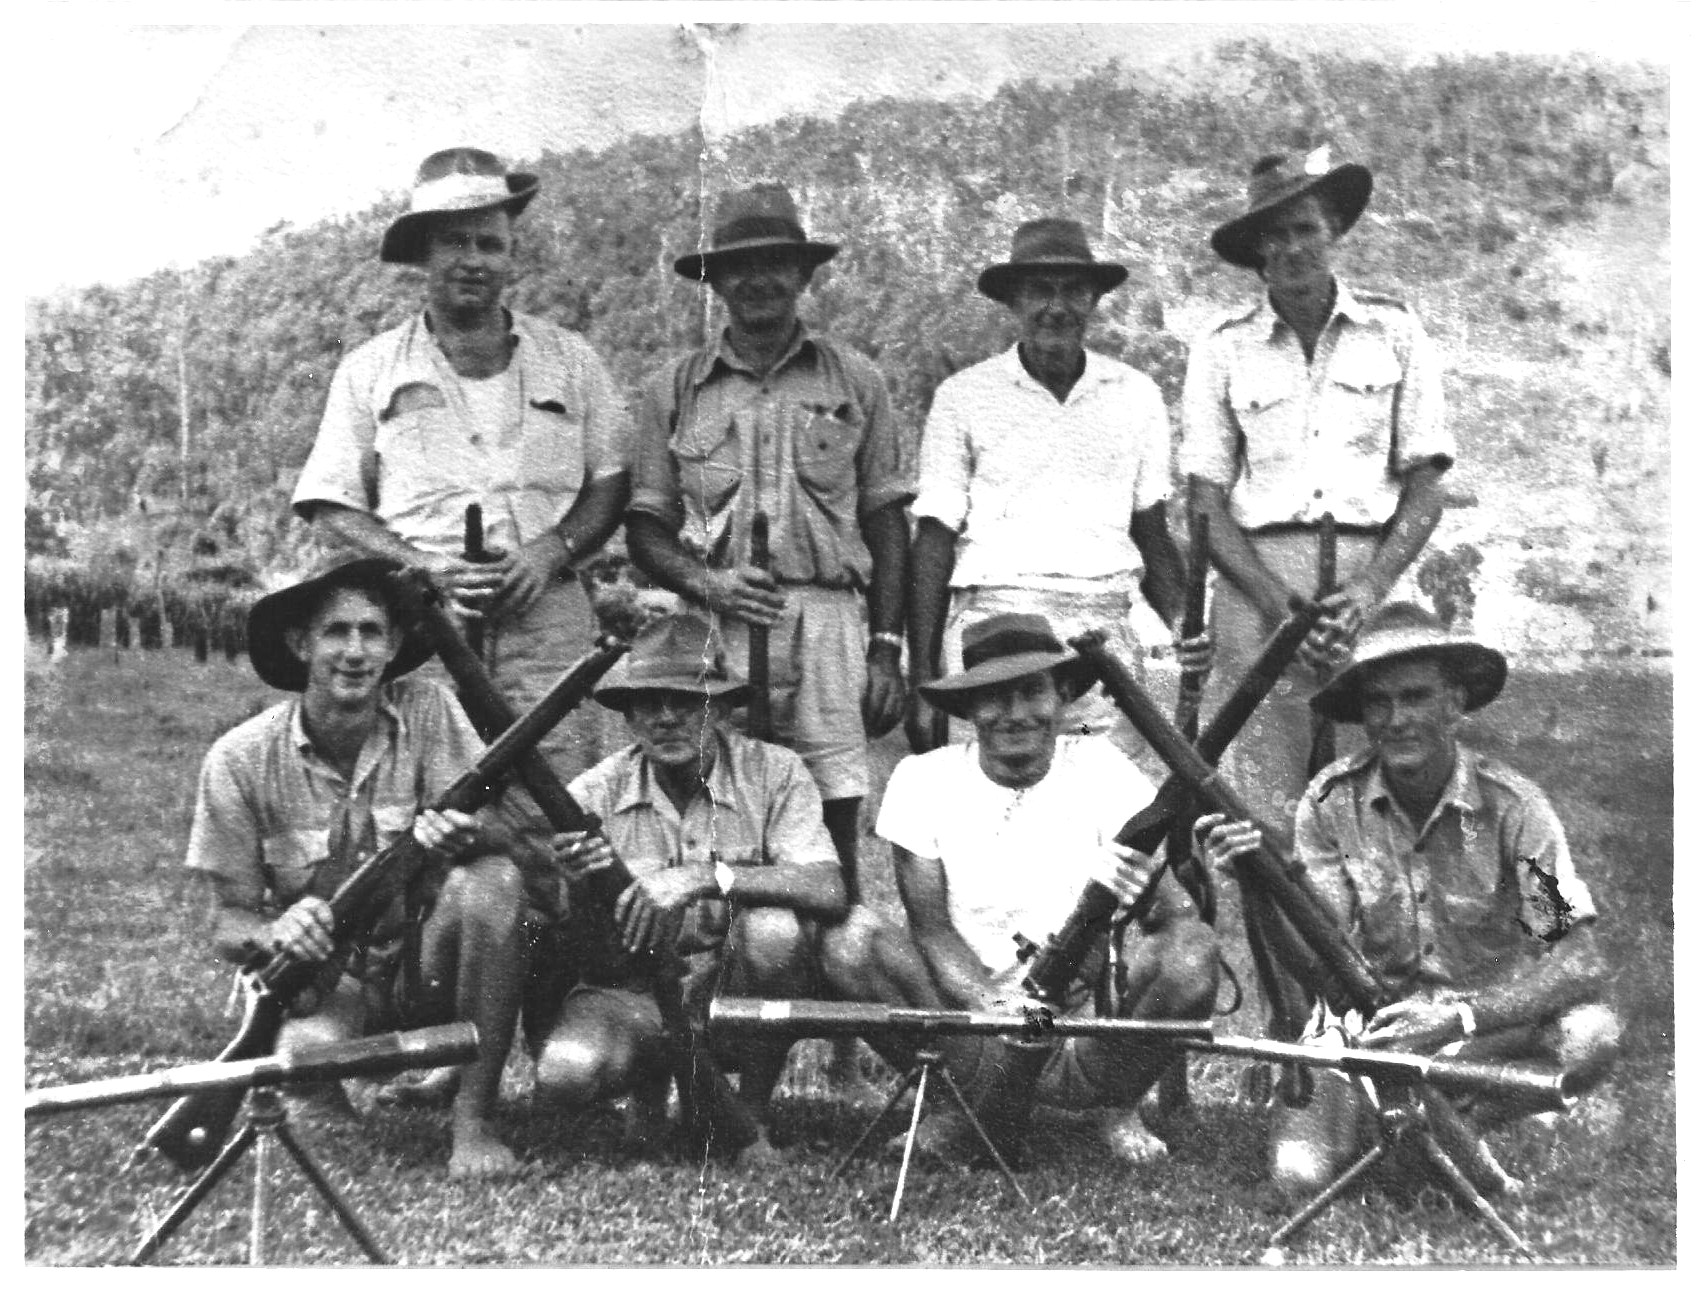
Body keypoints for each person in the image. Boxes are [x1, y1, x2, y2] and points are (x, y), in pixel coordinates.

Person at [625, 182, 921, 1093]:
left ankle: (836, 1047)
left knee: (827, 824)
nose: (759, 283)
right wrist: (707, 582)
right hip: (715, 625)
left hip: (826, 617)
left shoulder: (853, 379)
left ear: (802, 273)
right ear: (715, 282)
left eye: (776, 266)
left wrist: (885, 647)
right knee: (713, 810)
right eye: (739, 268)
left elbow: (886, 524)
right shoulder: (672, 388)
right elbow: (644, 528)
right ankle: (713, 1043)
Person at [1198, 603, 1621, 1198]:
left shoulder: (1513, 809)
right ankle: (1417, 1134)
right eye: (1378, 702)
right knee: (1301, 1178)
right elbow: (1321, 967)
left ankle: (1459, 1128)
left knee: (1591, 1032)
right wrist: (1260, 883)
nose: (1396, 720)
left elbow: (1580, 960)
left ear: (1455, 703)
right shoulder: (1328, 804)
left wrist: (1459, 1017)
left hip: (1475, 1028)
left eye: (1416, 697)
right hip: (1370, 1031)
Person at [1179, 147, 1457, 1041]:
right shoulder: (1221, 348)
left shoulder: (1396, 335)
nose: (1292, 248)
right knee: (1259, 824)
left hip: (1370, 595)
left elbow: (1424, 484)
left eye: (1305, 228)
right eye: (1274, 236)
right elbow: (1205, 504)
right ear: (1256, 253)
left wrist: (1371, 591)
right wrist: (1270, 603)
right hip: (1262, 596)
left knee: (1383, 804)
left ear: (1333, 231)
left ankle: (1393, 1019)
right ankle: (1289, 1035)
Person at [292, 146, 633, 851]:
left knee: (558, 808)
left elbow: (612, 482)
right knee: (423, 812)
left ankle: (555, 958)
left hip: (548, 625)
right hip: (422, 630)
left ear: (511, 255)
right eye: (455, 242)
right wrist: (425, 567)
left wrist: (551, 550)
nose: (473, 259)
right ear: (423, 252)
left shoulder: (570, 360)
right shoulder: (370, 370)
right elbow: (331, 502)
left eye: (489, 243)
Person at [830, 613, 1219, 1164]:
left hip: (1084, 1030)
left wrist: (1140, 894)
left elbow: (1174, 913)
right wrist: (1000, 1007)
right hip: (972, 1024)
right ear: (969, 708)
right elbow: (934, 935)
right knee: (852, 940)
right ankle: (955, 1105)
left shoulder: (1102, 767)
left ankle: (1112, 1104)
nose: (1016, 714)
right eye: (994, 697)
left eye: (1032, 692)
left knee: (1192, 952)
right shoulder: (921, 778)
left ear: (1061, 697)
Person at [184, 556, 528, 1178]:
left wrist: (467, 835)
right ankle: (322, 1093)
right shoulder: (237, 759)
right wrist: (276, 930)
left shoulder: (430, 710)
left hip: (423, 964)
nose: (355, 651)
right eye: (336, 632)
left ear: (394, 644)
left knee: (495, 880)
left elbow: (506, 834)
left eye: (372, 632)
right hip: (328, 983)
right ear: (300, 643)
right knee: (303, 1056)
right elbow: (226, 922)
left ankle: (475, 1123)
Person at [538, 615, 849, 1158]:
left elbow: (827, 887)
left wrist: (706, 878)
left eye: (687, 701)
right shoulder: (592, 791)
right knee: (566, 1075)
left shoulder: (774, 770)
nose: (666, 718)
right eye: (649, 703)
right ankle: (649, 1091)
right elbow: (558, 933)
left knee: (774, 930)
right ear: (628, 716)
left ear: (721, 710)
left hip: (733, 988)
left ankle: (749, 1111)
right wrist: (569, 885)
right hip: (634, 993)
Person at [907, 217, 1204, 769]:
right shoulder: (964, 396)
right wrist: (922, 675)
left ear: (1094, 300)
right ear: (1015, 301)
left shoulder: (1136, 395)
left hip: (1104, 625)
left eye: (1073, 291)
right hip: (993, 622)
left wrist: (1187, 627)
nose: (1056, 307)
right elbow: (933, 539)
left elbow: (1153, 531)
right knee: (993, 796)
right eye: (1040, 291)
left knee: (1107, 802)